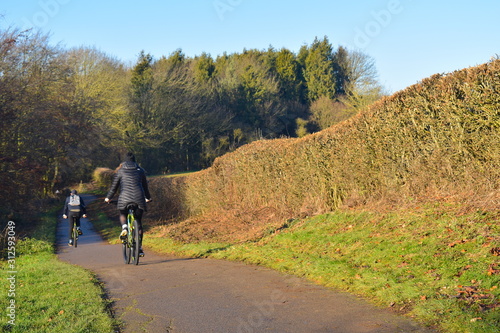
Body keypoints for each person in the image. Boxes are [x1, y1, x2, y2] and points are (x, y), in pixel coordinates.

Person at [105, 152, 152, 257]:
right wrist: (148, 198)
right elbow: (145, 187)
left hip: (124, 198)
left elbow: (114, 187)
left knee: (122, 213)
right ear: (135, 161)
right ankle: (139, 248)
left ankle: (125, 227)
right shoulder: (140, 171)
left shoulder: (120, 171)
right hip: (139, 198)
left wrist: (108, 197)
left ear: (124, 161)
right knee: (138, 223)